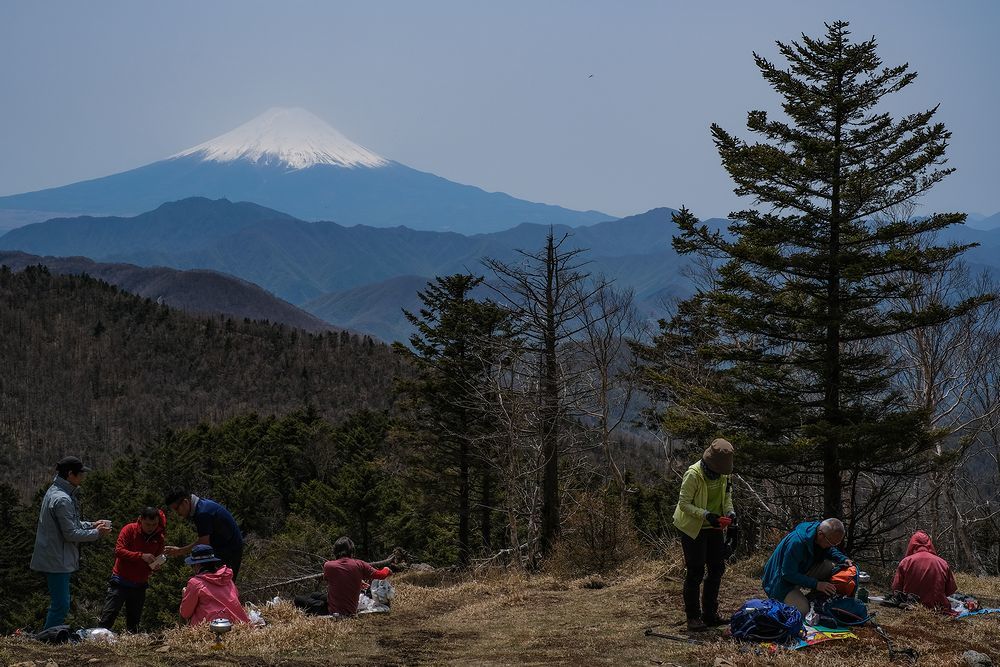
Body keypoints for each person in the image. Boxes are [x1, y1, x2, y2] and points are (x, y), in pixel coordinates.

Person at [29, 456, 113, 629]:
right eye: (80, 474)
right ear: (70, 474)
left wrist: (91, 524)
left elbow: (69, 524)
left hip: (54, 556)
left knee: (60, 603)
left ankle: (49, 637)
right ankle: (49, 639)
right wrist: (97, 533)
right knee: (61, 605)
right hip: (57, 559)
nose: (82, 477)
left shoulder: (56, 492)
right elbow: (71, 533)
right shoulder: (63, 499)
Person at [672, 438, 736, 631]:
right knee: (695, 571)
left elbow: (726, 497)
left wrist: (730, 513)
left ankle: (710, 614)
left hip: (714, 526)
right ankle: (693, 617)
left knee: (716, 569)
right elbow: (684, 504)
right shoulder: (693, 474)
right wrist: (706, 515)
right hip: (693, 527)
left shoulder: (724, 475)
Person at [762, 518, 852, 615]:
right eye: (831, 543)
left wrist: (843, 559)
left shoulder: (820, 533)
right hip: (779, 583)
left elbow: (830, 550)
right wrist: (817, 584)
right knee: (803, 611)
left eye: (835, 544)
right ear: (821, 534)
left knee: (829, 567)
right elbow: (787, 574)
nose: (832, 546)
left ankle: (816, 598)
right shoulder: (797, 543)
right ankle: (787, 601)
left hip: (799, 571)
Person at [98, 507, 167, 633]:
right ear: (140, 520)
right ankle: (97, 640)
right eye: (147, 524)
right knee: (108, 617)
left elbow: (155, 559)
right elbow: (119, 551)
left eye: (154, 524)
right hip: (120, 580)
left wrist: (156, 566)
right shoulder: (129, 529)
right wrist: (141, 556)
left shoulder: (159, 538)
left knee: (133, 624)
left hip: (140, 584)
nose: (151, 527)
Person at [163, 489, 244, 580]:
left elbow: (203, 542)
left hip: (228, 551)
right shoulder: (202, 505)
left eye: (176, 509)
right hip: (224, 548)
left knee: (220, 585)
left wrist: (180, 551)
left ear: (185, 502)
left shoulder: (202, 513)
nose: (177, 513)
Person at [179, 544, 250, 625]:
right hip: (237, 622)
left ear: (197, 565)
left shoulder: (195, 582)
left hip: (213, 626)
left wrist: (185, 596)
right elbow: (236, 596)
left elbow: (185, 613)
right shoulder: (226, 577)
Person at [323, 536, 393, 616]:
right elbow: (381, 575)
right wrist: (387, 569)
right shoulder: (359, 564)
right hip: (351, 609)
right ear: (351, 550)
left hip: (334, 609)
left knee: (309, 599)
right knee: (316, 596)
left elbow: (334, 581)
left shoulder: (328, 565)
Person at [892, 530, 957, 612]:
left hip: (911, 608)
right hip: (939, 609)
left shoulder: (905, 562)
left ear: (911, 544)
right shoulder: (942, 563)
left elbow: (896, 589)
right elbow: (950, 590)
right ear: (930, 544)